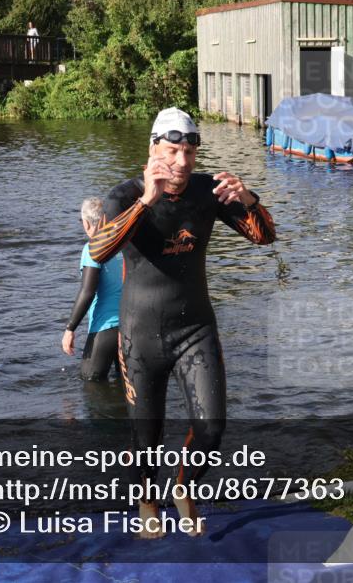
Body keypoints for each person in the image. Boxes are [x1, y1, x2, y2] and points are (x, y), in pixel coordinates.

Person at [89, 107, 276, 537]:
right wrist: (146, 202)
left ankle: (185, 490)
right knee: (146, 436)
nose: (182, 161)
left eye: (190, 151)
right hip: (140, 335)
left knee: (212, 427)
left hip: (195, 328)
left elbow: (264, 237)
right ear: (153, 149)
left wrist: (248, 199)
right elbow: (98, 251)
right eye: (172, 150)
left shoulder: (208, 190)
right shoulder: (124, 195)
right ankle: (147, 502)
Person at [62, 198, 123, 381]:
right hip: (133, 326)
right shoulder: (125, 244)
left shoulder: (92, 249)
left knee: (91, 383)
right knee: (127, 387)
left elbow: (88, 291)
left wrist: (70, 329)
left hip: (106, 328)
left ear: (87, 223)